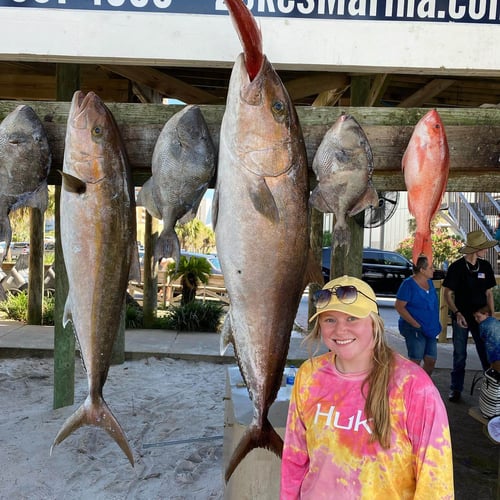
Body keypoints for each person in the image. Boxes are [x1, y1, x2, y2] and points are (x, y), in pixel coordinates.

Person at [280, 275, 454, 499]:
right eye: (329, 319)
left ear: (374, 322)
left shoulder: (413, 386)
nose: (340, 330)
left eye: (352, 318)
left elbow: (436, 482)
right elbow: (295, 457)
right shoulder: (309, 375)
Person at [442, 229, 498, 402]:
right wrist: (457, 313)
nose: (486, 250)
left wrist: (492, 315)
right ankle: (455, 389)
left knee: (486, 353)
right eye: (483, 247)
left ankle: (491, 390)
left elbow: (489, 294)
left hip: (482, 317)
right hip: (462, 317)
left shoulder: (486, 267)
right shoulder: (457, 267)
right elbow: (447, 294)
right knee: (460, 354)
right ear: (475, 249)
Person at [395, 255, 441, 376]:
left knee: (431, 360)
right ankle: (410, 386)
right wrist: (415, 323)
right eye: (431, 267)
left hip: (429, 328)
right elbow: (399, 306)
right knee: (415, 359)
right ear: (422, 270)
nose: (434, 270)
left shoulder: (429, 282)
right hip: (414, 327)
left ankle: (425, 385)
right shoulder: (408, 285)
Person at [473, 305, 500, 372]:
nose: (476, 319)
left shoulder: (483, 325)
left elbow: (483, 337)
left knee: (495, 372)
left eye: (478, 317)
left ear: (486, 314)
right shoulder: (496, 321)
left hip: (494, 351)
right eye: (475, 317)